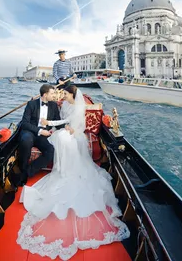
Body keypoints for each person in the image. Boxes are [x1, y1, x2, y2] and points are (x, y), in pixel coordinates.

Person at [17, 85, 130, 260]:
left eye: (63, 93)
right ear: (45, 94)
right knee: (51, 138)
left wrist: (62, 129)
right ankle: (27, 170)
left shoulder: (67, 106)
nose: (59, 95)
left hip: (69, 132)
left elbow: (71, 123)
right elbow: (34, 122)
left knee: (62, 141)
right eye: (55, 93)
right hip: (38, 131)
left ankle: (63, 169)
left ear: (71, 95)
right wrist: (47, 129)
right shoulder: (38, 105)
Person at [14, 84, 62, 187]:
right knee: (26, 141)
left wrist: (68, 126)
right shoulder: (31, 104)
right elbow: (25, 123)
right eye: (52, 93)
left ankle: (26, 172)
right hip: (31, 131)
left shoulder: (54, 105)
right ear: (45, 94)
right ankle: (23, 171)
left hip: (44, 135)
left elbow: (57, 122)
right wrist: (40, 131)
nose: (54, 95)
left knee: (50, 150)